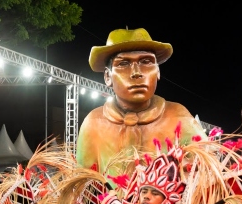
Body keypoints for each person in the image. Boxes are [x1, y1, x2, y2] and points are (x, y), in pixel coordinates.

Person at [76, 28, 205, 174]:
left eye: (146, 62)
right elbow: (82, 185)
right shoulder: (94, 123)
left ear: (158, 71)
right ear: (107, 76)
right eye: (123, 64)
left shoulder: (178, 117)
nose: (136, 72)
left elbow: (208, 174)